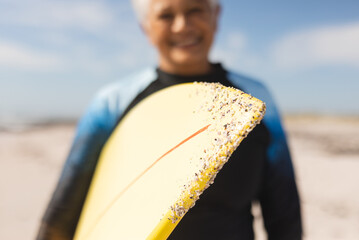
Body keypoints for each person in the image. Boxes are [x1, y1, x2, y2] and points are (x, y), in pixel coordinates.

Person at [37, 0, 302, 239]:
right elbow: (64, 213)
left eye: (194, 10)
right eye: (165, 15)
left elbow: (283, 210)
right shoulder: (113, 103)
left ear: (215, 15)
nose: (181, 26)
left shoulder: (253, 100)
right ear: (146, 27)